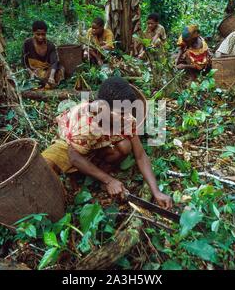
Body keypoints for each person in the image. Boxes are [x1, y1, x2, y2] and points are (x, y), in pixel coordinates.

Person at [41, 76, 173, 209]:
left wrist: (156, 192)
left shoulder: (125, 119)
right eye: (121, 113)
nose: (125, 117)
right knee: (44, 166)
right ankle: (95, 176)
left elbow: (140, 155)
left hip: (94, 146)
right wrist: (109, 180)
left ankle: (98, 172)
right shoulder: (86, 121)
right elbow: (74, 157)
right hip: (70, 145)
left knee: (124, 146)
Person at [22, 20, 64, 88]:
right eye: (38, 34)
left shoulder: (50, 45)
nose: (41, 37)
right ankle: (42, 83)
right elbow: (24, 62)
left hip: (47, 71)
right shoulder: (27, 44)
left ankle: (47, 82)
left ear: (46, 33)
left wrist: (51, 76)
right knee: (36, 78)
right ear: (33, 33)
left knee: (60, 70)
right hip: (34, 71)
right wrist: (31, 73)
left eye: (43, 34)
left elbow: (54, 62)